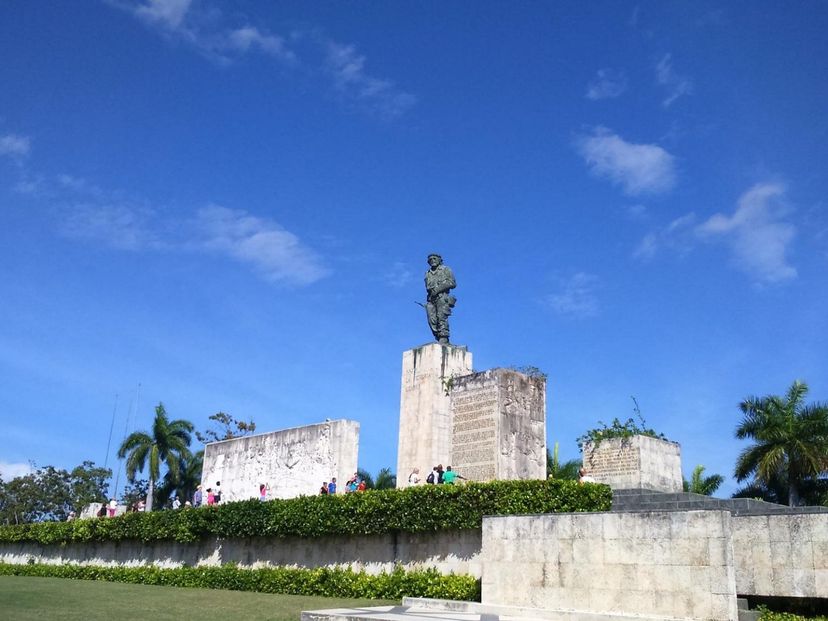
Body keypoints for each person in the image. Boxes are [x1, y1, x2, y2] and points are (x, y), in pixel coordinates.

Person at [424, 254, 457, 345]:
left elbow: (452, 283)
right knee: (432, 319)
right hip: (431, 299)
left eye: (434, 258)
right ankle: (438, 335)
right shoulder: (428, 273)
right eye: (430, 259)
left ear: (439, 260)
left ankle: (444, 337)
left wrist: (438, 289)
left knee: (441, 316)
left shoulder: (445, 269)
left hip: (442, 297)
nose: (432, 260)